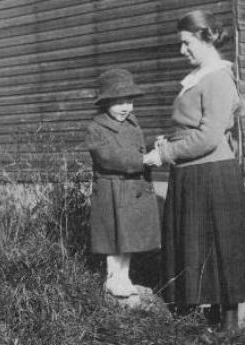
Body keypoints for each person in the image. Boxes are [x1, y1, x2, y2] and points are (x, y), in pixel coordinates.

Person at [144, 10, 245, 331]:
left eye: (186, 43)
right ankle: (199, 319)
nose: (182, 51)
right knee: (197, 244)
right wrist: (168, 140)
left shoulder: (217, 78)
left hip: (210, 173)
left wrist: (165, 153)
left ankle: (228, 324)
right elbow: (191, 125)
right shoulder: (199, 78)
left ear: (205, 38)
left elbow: (208, 137)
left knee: (221, 244)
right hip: (192, 172)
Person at [86, 69, 161, 297]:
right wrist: (143, 160)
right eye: (118, 102)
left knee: (128, 240)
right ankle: (112, 278)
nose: (125, 107)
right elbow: (108, 157)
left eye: (129, 101)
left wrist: (153, 145)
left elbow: (134, 147)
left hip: (132, 190)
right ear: (105, 102)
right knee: (114, 240)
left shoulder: (131, 123)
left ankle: (124, 276)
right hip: (113, 190)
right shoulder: (96, 128)